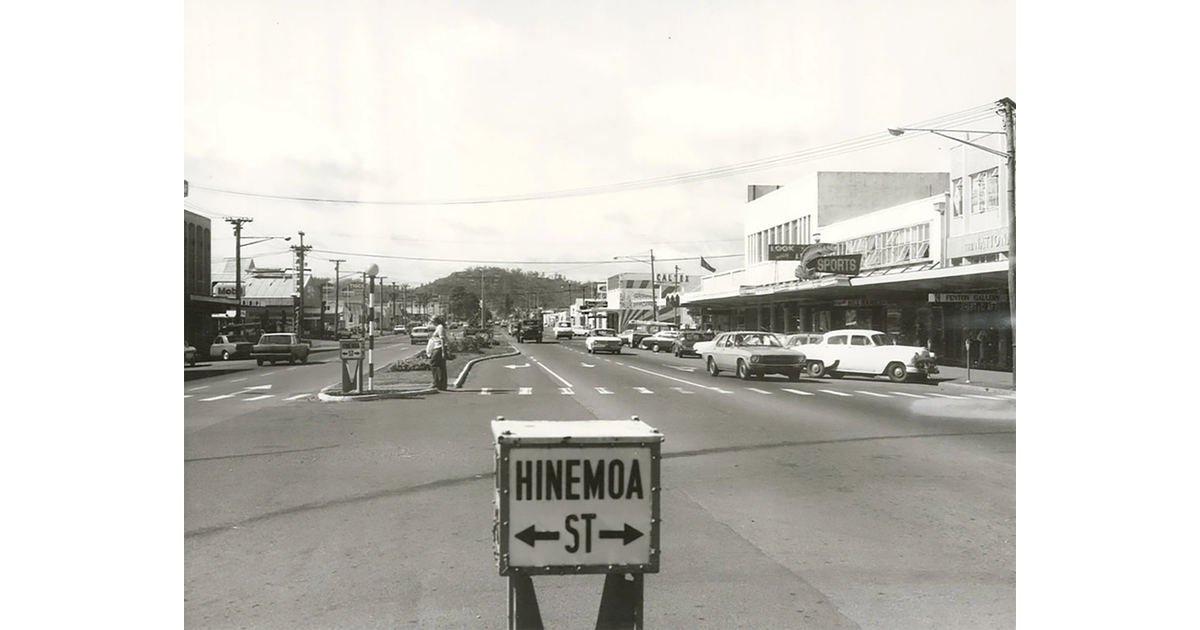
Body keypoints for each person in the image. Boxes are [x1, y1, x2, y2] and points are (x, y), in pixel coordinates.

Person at [427, 316, 449, 390]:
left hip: (438, 348)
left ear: (435, 321)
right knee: (441, 366)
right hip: (439, 348)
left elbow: (442, 339)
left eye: (432, 321)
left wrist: (443, 351)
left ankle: (436, 382)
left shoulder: (440, 327)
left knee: (433, 364)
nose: (432, 323)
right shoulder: (439, 327)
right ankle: (442, 384)